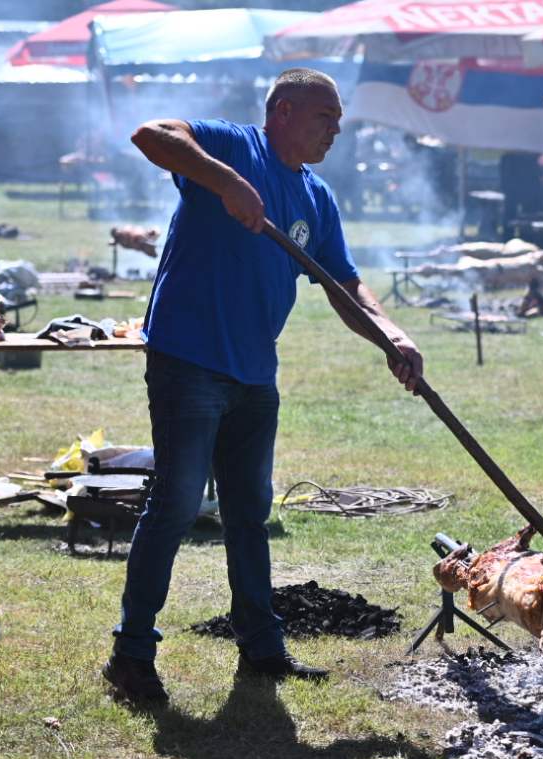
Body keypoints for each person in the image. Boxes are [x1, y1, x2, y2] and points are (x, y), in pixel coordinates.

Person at [102, 68, 425, 705]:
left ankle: (261, 649)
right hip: (190, 358)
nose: (335, 130)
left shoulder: (315, 197)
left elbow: (344, 285)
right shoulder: (231, 145)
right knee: (174, 504)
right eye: (323, 118)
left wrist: (392, 334)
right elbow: (150, 134)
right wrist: (223, 181)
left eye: (336, 121)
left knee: (249, 515)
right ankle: (131, 654)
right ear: (281, 110)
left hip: (255, 371)